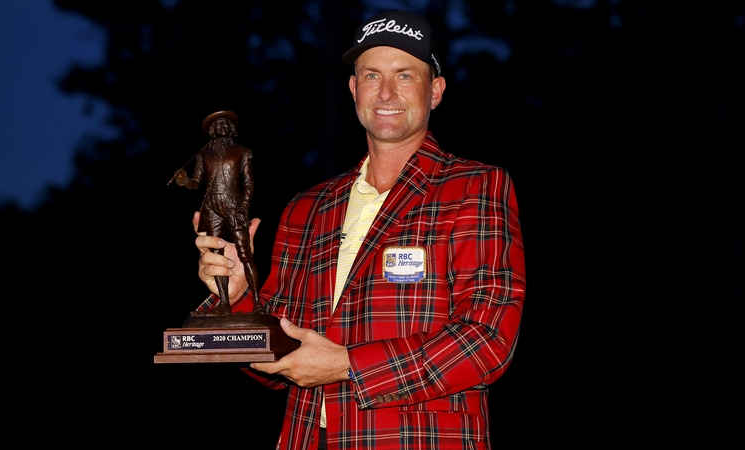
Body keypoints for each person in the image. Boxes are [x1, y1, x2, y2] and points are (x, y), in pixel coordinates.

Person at [191, 9, 525, 450]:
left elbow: (488, 340)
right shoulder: (307, 208)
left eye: (405, 75)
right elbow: (279, 355)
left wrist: (347, 365)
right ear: (353, 90)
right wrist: (237, 296)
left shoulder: (475, 187)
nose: (386, 92)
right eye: (371, 75)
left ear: (435, 92)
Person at [173, 110, 263, 316]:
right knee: (215, 254)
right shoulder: (204, 154)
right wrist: (184, 180)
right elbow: (196, 182)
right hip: (211, 207)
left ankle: (258, 302)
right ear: (212, 130)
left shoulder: (242, 151)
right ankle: (224, 302)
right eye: (218, 124)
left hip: (234, 207)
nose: (222, 127)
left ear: (232, 128)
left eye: (225, 124)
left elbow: (249, 183)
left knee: (245, 254)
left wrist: (243, 207)